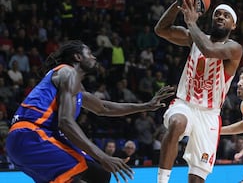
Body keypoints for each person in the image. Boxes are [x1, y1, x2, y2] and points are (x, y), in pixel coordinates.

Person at [5, 40, 174, 183]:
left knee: (99, 174)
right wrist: (103, 156)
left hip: (25, 141)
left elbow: (103, 107)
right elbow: (66, 122)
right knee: (93, 170)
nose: (94, 57)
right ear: (78, 57)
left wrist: (145, 105)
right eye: (89, 53)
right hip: (32, 135)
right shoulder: (68, 73)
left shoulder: (74, 84)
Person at [154, 0, 243, 183]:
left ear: (233, 26)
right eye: (217, 14)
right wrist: (179, 4)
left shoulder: (235, 48)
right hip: (184, 103)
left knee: (196, 178)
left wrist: (191, 23)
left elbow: (209, 50)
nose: (220, 17)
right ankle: (161, 181)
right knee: (177, 122)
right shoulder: (194, 37)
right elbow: (161, 29)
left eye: (226, 16)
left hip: (209, 114)